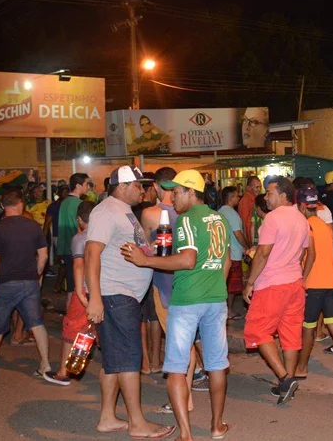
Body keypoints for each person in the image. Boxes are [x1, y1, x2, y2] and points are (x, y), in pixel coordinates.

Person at [122, 170, 231, 441]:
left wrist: (144, 260)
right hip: (216, 299)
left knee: (176, 368)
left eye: (177, 192)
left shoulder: (185, 221)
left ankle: (185, 433)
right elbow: (226, 261)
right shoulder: (220, 218)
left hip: (186, 302)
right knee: (216, 366)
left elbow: (186, 261)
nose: (172, 197)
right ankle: (217, 427)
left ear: (191, 192)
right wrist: (214, 284)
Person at [84, 165, 174, 439]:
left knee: (114, 360)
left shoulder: (123, 212)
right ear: (122, 185)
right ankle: (137, 422)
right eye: (138, 185)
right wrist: (95, 298)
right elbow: (91, 253)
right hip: (114, 295)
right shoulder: (106, 211)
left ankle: (108, 418)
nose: (142, 190)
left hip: (122, 295)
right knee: (129, 360)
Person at [0, 188, 64, 383]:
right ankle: (45, 363)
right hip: (29, 282)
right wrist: (36, 275)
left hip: (4, 283)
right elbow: (43, 256)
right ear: (21, 205)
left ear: (3, 206)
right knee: (36, 323)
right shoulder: (34, 226)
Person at [243, 177, 312, 405]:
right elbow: (303, 253)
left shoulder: (272, 218)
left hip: (272, 284)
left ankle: (284, 378)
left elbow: (262, 253)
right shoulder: (302, 219)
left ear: (283, 196)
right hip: (294, 283)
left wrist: (250, 282)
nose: (265, 197)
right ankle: (288, 382)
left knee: (257, 330)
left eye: (269, 193)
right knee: (290, 335)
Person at [294, 186, 333, 380]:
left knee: (308, 327)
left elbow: (311, 254)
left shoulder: (307, 226)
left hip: (314, 284)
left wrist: (302, 279)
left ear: (302, 207)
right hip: (332, 283)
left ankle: (301, 368)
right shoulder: (325, 226)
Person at [51, 200, 95, 384]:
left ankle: (64, 371)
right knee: (96, 330)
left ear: (79, 219)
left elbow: (78, 264)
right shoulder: (107, 236)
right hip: (106, 289)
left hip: (85, 288)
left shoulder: (80, 238)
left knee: (72, 328)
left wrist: (79, 291)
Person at [57, 173, 90, 306]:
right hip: (78, 251)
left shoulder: (64, 202)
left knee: (71, 287)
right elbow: (80, 229)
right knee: (79, 288)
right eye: (87, 184)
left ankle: (69, 319)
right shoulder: (80, 204)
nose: (89, 187)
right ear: (78, 185)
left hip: (65, 248)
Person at [218, 186, 247, 319]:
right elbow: (238, 234)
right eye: (236, 196)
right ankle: (228, 310)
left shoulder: (219, 212)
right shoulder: (231, 213)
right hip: (234, 253)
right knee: (232, 286)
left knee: (226, 283)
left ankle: (225, 310)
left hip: (224, 252)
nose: (239, 198)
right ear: (230, 198)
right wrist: (247, 247)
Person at [238, 176, 261, 248]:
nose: (259, 189)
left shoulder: (255, 200)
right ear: (248, 187)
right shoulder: (245, 201)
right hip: (251, 241)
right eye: (256, 187)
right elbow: (244, 224)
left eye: (260, 187)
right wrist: (248, 245)